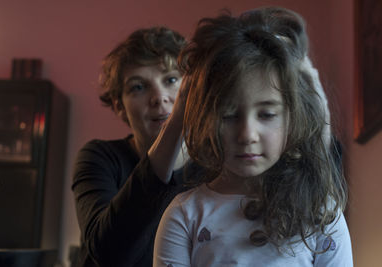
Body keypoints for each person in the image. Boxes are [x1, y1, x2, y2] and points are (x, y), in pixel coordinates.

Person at [153, 7, 352, 267]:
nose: (247, 135)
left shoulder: (321, 214)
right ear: (206, 119)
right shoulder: (184, 215)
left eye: (267, 114)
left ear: (293, 119)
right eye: (229, 115)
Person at [72, 26, 198, 267]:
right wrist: (175, 127)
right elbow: (109, 254)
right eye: (138, 87)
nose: (159, 97)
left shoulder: (216, 165)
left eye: (171, 80)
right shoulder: (99, 157)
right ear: (120, 106)